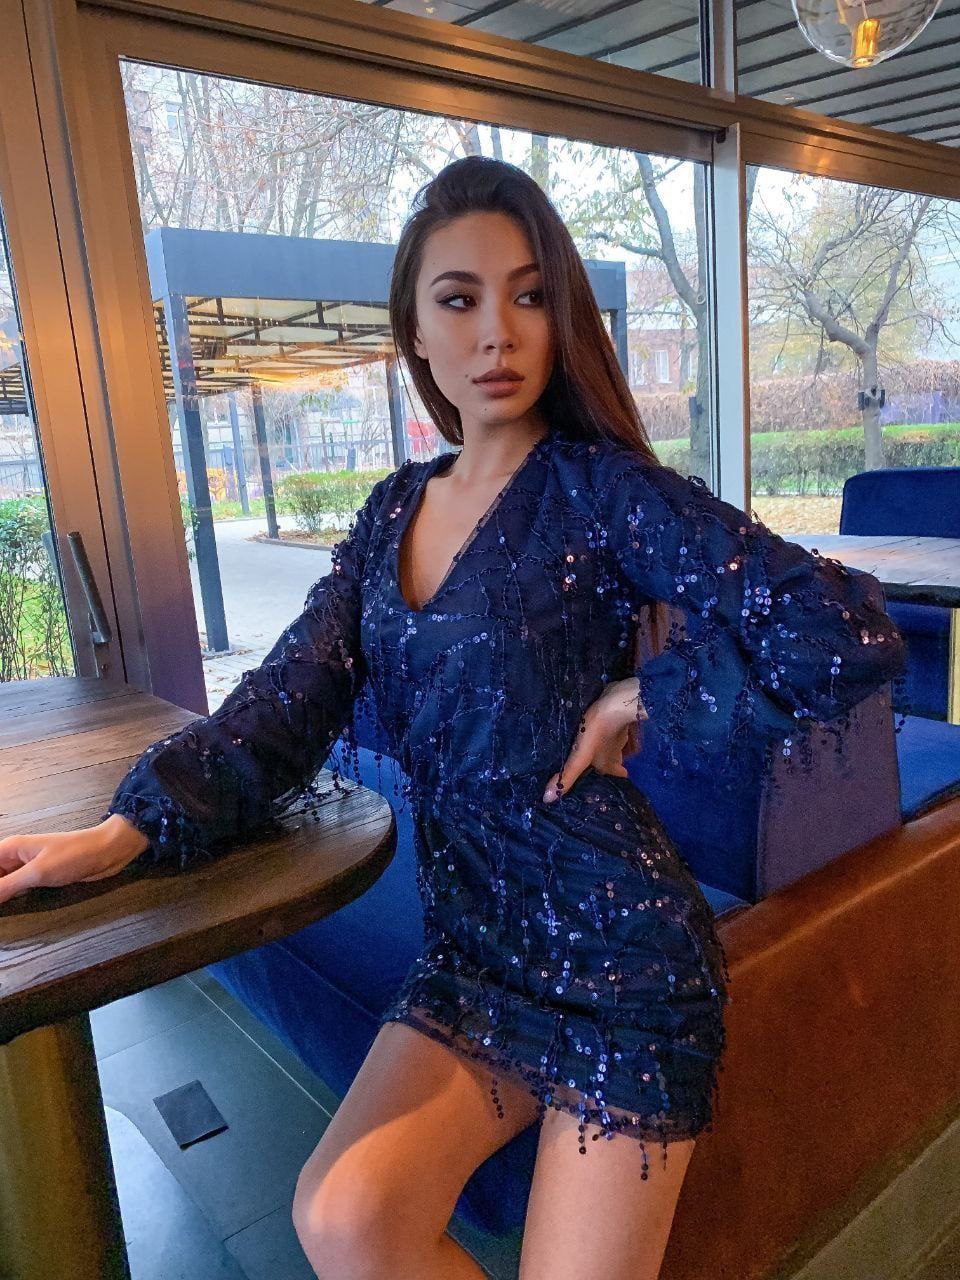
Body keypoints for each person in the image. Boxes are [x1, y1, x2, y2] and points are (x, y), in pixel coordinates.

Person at [0, 156, 907, 1280]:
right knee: (343, 1215)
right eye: (459, 298)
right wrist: (119, 829)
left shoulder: (601, 489)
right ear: (414, 333)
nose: (498, 331)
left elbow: (846, 631)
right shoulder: (389, 515)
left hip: (619, 955)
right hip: (474, 951)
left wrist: (647, 693)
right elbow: (282, 704)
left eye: (529, 295)